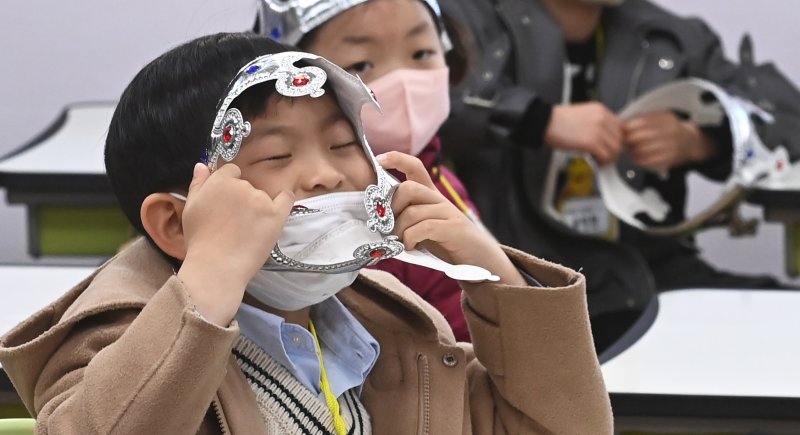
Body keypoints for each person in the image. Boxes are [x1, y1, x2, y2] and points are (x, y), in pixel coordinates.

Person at [0, 33, 612, 434]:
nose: (325, 174)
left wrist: (500, 282)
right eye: (274, 157)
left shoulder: (391, 333)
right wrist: (210, 274)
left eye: (344, 144)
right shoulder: (108, 342)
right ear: (174, 222)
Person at [428, 0, 798, 352]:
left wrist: (705, 138)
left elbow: (786, 120)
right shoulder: (439, 18)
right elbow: (392, 101)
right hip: (512, 287)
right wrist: (538, 120)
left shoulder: (664, 36)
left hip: (648, 277)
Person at [250, 0, 480, 341]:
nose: (404, 80)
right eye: (360, 65)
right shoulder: (321, 214)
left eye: (421, 52)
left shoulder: (441, 177)